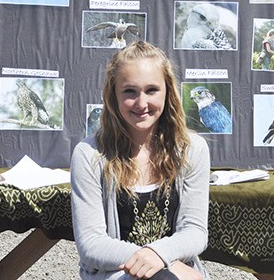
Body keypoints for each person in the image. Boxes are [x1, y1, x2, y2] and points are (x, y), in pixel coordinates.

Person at [71, 41, 211, 280]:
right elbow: (91, 244)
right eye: (130, 91)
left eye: (151, 90)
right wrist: (159, 262)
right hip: (117, 273)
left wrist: (160, 257)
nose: (142, 103)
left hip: (178, 271)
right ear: (113, 95)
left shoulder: (192, 149)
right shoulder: (89, 154)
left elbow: (195, 231)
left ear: (167, 91)